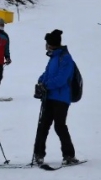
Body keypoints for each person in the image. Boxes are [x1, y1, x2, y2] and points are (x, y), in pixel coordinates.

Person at [33, 30, 79, 166]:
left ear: (51, 44)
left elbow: (61, 79)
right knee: (43, 126)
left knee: (59, 126)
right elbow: (46, 73)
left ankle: (69, 155)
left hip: (61, 98)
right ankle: (38, 154)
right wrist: (40, 82)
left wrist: (45, 85)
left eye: (47, 43)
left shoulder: (65, 58)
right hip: (49, 97)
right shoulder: (54, 57)